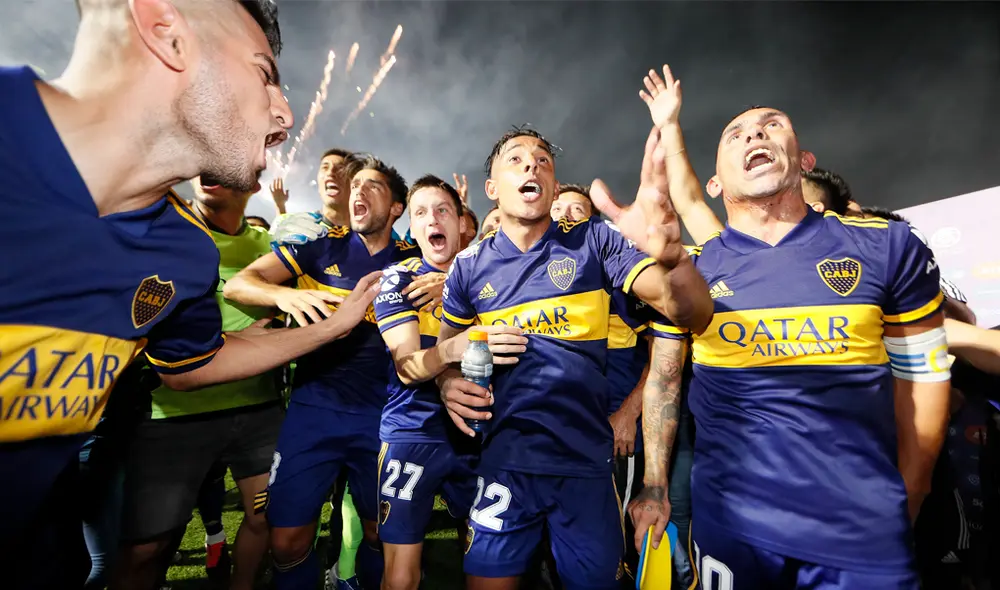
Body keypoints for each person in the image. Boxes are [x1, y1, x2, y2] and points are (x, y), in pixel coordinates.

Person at [0, 1, 383, 585]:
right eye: (263, 73)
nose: (285, 113)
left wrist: (331, 327)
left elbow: (190, 363)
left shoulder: (183, 252)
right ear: (165, 31)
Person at [631, 64, 950, 588]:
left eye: (771, 124)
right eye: (735, 134)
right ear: (714, 182)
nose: (754, 132)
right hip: (733, 531)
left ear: (803, 160)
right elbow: (664, 380)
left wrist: (907, 497)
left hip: (861, 535)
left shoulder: (888, 248)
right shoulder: (696, 270)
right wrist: (656, 485)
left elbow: (923, 381)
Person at [435, 125, 713, 589]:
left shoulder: (594, 243)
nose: (533, 166)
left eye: (543, 160)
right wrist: (445, 383)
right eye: (517, 160)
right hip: (505, 464)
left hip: (584, 464)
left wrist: (675, 259)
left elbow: (689, 312)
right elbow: (445, 353)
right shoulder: (468, 266)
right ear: (491, 189)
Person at [224, 154, 418, 590]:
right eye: (357, 186)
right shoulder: (319, 246)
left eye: (374, 187)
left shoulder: (414, 258)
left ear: (397, 208)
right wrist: (283, 297)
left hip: (384, 418)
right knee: (287, 541)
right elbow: (240, 285)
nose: (359, 193)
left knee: (377, 533)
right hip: (314, 411)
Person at [114, 177, 286, 590]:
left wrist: (278, 322)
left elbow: (293, 305)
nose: (210, 175)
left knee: (265, 519)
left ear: (251, 183)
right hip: (174, 414)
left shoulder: (267, 245)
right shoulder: (167, 234)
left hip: (257, 407)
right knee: (148, 546)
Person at [374, 175, 526, 590]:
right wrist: (447, 354)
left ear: (462, 223)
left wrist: (457, 290)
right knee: (401, 577)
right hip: (413, 431)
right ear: (413, 229)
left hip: (483, 433)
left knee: (487, 568)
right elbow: (406, 366)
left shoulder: (498, 277)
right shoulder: (398, 279)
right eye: (420, 212)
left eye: (442, 209)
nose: (432, 219)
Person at [548, 183, 653, 587]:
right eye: (560, 208)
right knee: (562, 542)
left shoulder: (613, 276)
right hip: (555, 435)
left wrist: (628, 413)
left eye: (579, 209)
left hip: (611, 435)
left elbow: (666, 347)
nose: (568, 216)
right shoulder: (532, 278)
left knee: (611, 542)